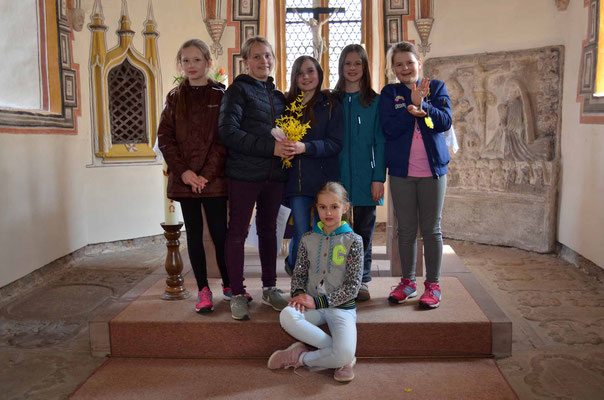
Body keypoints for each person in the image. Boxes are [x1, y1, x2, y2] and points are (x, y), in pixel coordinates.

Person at [158, 39, 233, 313]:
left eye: (196, 60)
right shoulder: (175, 97)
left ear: (208, 63)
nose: (191, 65)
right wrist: (185, 173)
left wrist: (206, 175)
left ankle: (229, 284)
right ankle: (203, 289)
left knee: (220, 235)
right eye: (186, 60)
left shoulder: (221, 96)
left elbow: (224, 139)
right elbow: (165, 137)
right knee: (194, 236)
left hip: (213, 180)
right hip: (186, 180)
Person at [218, 36, 291, 321]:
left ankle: (270, 288)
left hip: (275, 176)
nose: (264, 61)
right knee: (237, 232)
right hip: (244, 175)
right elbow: (228, 131)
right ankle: (237, 293)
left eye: (268, 56)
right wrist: (270, 148)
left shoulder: (277, 96)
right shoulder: (237, 91)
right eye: (257, 57)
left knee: (269, 232)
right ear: (246, 61)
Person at [378, 41, 452, 309]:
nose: (405, 68)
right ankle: (407, 281)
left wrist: (425, 107)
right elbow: (388, 128)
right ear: (394, 69)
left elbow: (444, 121)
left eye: (409, 62)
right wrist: (411, 110)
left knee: (432, 230)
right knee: (405, 230)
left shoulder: (437, 87)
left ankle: (432, 285)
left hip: (433, 172)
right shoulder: (390, 93)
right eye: (399, 64)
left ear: (419, 62)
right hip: (401, 172)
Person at [267, 182, 363, 382]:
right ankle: (341, 358)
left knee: (343, 352)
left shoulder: (354, 241)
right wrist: (298, 294)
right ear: (316, 208)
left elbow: (352, 287)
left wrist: (319, 302)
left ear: (345, 208)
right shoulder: (307, 239)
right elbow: (299, 273)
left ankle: (301, 357)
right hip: (311, 304)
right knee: (287, 315)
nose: (328, 213)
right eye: (323, 207)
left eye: (334, 207)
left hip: (341, 308)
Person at [282, 55, 343, 278]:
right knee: (302, 232)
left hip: (324, 180)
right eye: (300, 73)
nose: (305, 77)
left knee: (322, 231)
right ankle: (297, 270)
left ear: (319, 72)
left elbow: (335, 143)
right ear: (294, 77)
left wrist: (305, 147)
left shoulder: (331, 103)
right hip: (297, 181)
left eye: (310, 71)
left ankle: (319, 277)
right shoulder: (287, 104)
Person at [334, 44, 386, 301]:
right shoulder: (332, 101)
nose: (352, 68)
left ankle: (362, 280)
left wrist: (379, 178)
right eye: (348, 63)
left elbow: (380, 141)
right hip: (337, 177)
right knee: (338, 231)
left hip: (367, 177)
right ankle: (338, 279)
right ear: (341, 67)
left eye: (358, 63)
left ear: (365, 67)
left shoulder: (375, 102)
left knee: (364, 231)